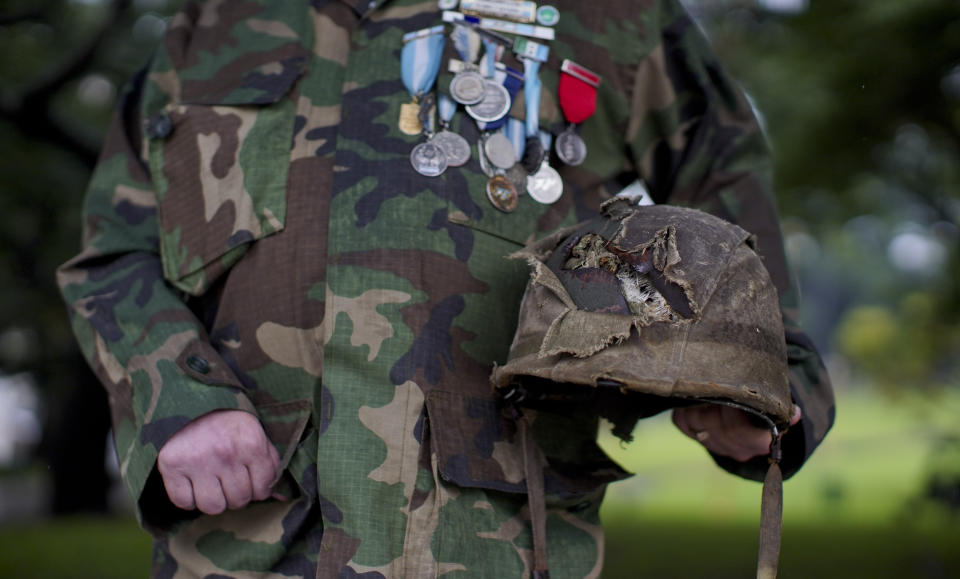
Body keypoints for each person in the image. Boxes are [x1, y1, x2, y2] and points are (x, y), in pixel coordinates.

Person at [58, 0, 834, 576]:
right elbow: (115, 252)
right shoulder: (206, 29)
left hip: (500, 547)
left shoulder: (612, 14)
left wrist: (762, 382)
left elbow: (724, 177)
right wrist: (180, 399)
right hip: (244, 550)